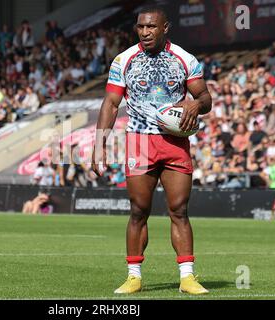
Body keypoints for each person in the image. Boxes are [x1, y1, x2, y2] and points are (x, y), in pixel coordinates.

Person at [92, 6, 211, 295]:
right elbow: (110, 104)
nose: (145, 32)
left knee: (179, 210)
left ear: (165, 28)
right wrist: (99, 144)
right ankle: (134, 276)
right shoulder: (124, 60)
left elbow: (205, 98)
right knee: (138, 211)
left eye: (151, 27)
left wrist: (196, 104)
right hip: (139, 142)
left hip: (174, 142)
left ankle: (187, 277)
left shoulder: (184, 59)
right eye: (140, 27)